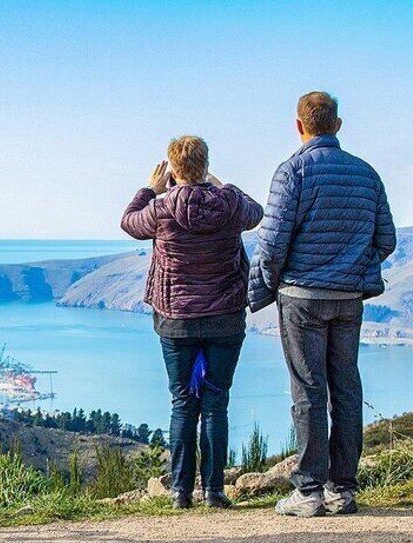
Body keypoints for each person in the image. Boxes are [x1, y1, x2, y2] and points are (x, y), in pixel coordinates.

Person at [248, 92, 396, 517]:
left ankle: (309, 492)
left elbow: (272, 243)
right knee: (346, 388)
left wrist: (266, 286)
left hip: (302, 298)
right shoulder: (367, 174)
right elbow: (385, 239)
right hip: (348, 299)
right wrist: (352, 268)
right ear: (339, 124)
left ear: (299, 126)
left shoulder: (292, 171)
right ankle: (343, 489)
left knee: (308, 389)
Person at [121, 136, 263, 509]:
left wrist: (148, 190)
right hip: (225, 319)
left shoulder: (161, 207)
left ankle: (180, 493)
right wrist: (216, 183)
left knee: (183, 402)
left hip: (176, 320)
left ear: (172, 168)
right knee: (216, 403)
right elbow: (257, 211)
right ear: (205, 164)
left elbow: (128, 222)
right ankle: (214, 491)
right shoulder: (230, 203)